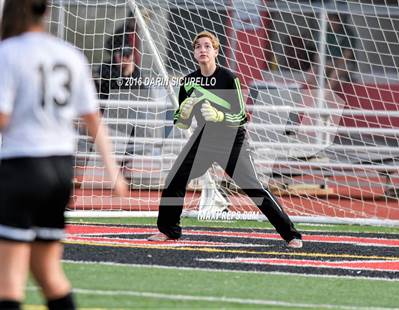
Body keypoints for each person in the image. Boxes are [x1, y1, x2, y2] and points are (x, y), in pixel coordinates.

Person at [0, 1, 128, 309]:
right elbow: (93, 120)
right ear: (46, 11)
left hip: (22, 165)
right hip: (60, 170)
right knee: (48, 272)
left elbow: (3, 118)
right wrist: (114, 172)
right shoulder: (70, 55)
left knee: (8, 283)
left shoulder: (8, 53)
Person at [148, 31, 303, 248]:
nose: (203, 50)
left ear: (216, 51)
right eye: (198, 46)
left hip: (231, 140)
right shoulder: (188, 81)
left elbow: (241, 116)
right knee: (174, 180)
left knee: (253, 187)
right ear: (194, 53)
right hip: (203, 139)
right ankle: (169, 230)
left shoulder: (229, 78)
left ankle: (291, 234)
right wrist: (184, 110)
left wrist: (220, 115)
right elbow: (181, 123)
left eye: (207, 46)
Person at [306, 13, 355, 91]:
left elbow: (347, 55)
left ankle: (326, 94)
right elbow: (318, 54)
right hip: (327, 63)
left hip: (344, 64)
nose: (332, 23)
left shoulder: (347, 33)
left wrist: (333, 64)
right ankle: (317, 93)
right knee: (311, 72)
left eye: (334, 20)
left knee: (336, 73)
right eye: (330, 20)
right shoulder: (324, 33)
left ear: (339, 21)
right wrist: (321, 63)